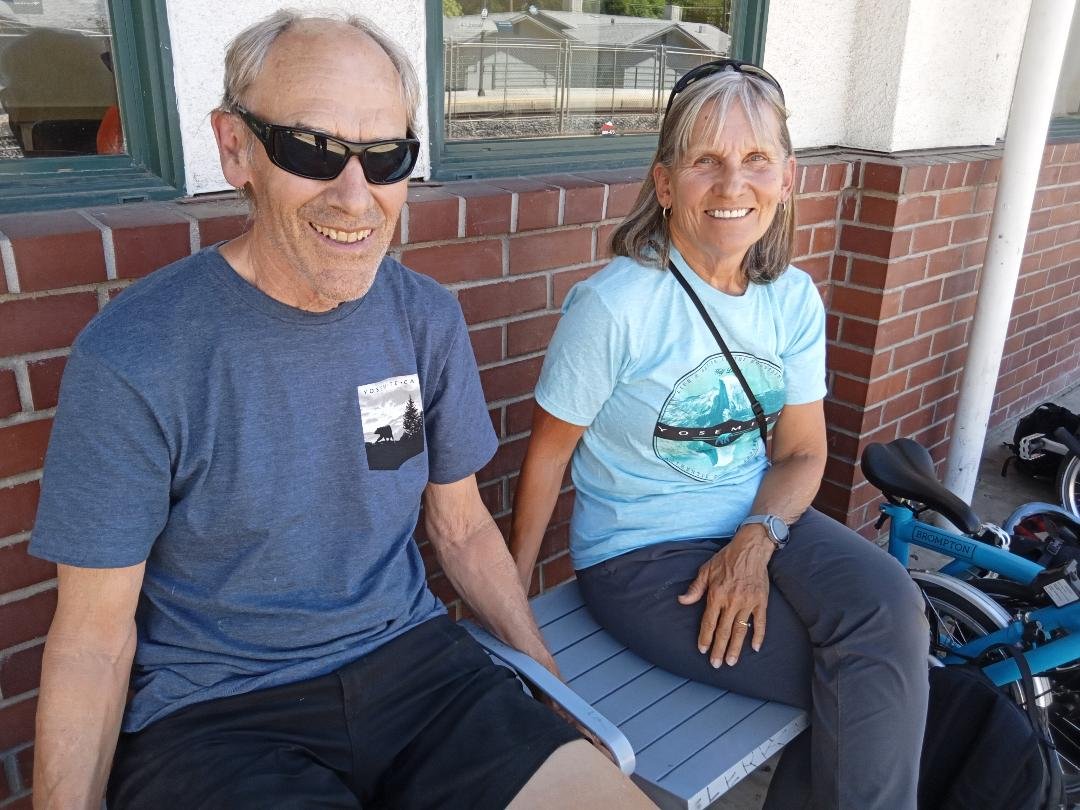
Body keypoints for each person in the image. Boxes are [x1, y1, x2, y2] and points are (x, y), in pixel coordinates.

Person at [28, 11, 653, 810]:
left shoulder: (420, 318)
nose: (356, 197)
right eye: (311, 149)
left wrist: (553, 686)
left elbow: (459, 527)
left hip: (420, 673)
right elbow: (92, 639)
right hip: (220, 717)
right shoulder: (138, 353)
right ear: (235, 150)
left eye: (385, 156)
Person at [510, 60, 930, 809]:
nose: (733, 185)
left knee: (892, 608)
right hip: (642, 556)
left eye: (755, 160)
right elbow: (546, 459)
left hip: (762, 522)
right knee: (865, 680)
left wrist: (757, 536)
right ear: (666, 184)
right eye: (706, 160)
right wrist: (514, 612)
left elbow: (802, 453)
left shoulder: (793, 299)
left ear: (788, 178)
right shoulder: (615, 306)